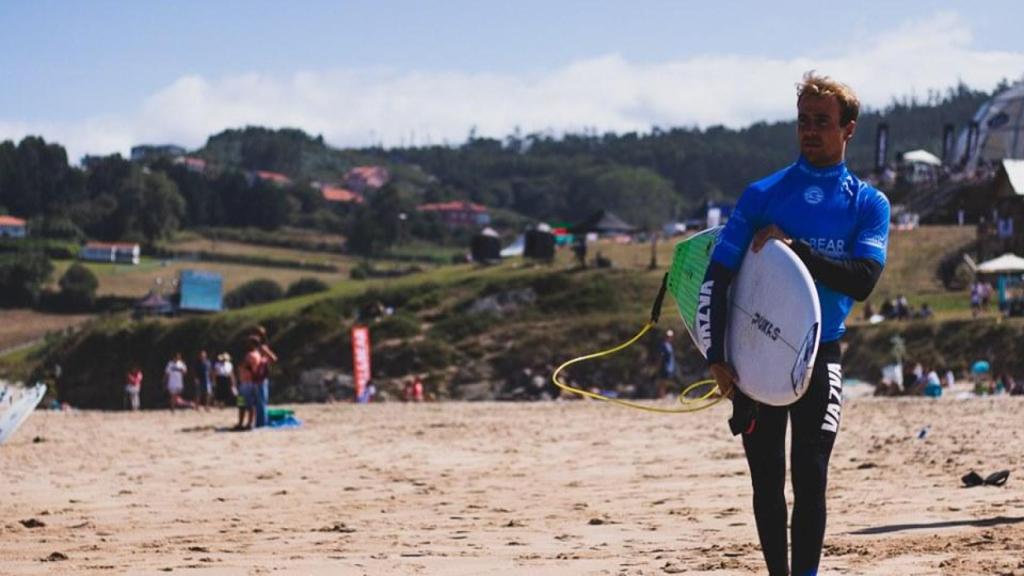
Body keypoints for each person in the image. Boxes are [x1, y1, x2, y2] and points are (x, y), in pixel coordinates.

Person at [699, 72, 889, 576]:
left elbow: (864, 280)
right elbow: (718, 277)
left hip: (820, 353)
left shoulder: (867, 204)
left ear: (848, 129)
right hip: (754, 356)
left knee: (811, 477)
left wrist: (797, 250)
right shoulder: (763, 193)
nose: (810, 130)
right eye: (803, 120)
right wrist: (717, 357)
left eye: (822, 122)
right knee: (766, 480)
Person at [251, 326, 278, 428]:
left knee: (261, 400)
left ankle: (261, 423)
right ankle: (260, 422)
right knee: (259, 400)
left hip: (261, 376)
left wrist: (264, 361)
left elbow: (273, 358)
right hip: (258, 376)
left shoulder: (262, 347)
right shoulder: (259, 347)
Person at [234, 336, 262, 430]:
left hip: (247, 382)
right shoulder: (257, 354)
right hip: (248, 382)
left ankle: (245, 423)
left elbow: (246, 366)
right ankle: (247, 423)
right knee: (247, 403)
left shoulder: (251, 355)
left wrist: (241, 367)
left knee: (244, 403)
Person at [655, 329, 677, 399]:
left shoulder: (669, 345)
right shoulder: (664, 345)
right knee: (662, 381)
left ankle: (662, 395)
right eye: (668, 336)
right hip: (664, 366)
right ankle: (661, 395)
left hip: (669, 367)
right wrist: (658, 366)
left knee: (665, 382)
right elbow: (661, 356)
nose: (669, 337)